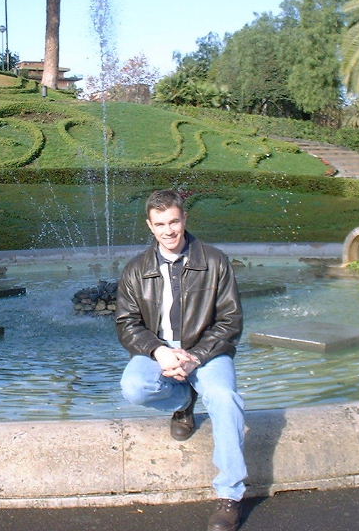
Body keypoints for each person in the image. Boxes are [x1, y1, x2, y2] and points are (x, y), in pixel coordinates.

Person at [116, 188, 247, 531]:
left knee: (224, 398)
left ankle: (230, 494)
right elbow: (127, 323)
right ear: (150, 225)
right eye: (160, 224)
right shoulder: (136, 269)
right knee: (134, 387)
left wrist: (196, 357)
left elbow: (231, 320)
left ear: (185, 219)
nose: (168, 230)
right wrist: (158, 351)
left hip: (207, 349)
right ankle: (184, 400)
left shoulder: (215, 261)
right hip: (158, 348)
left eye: (174, 222)